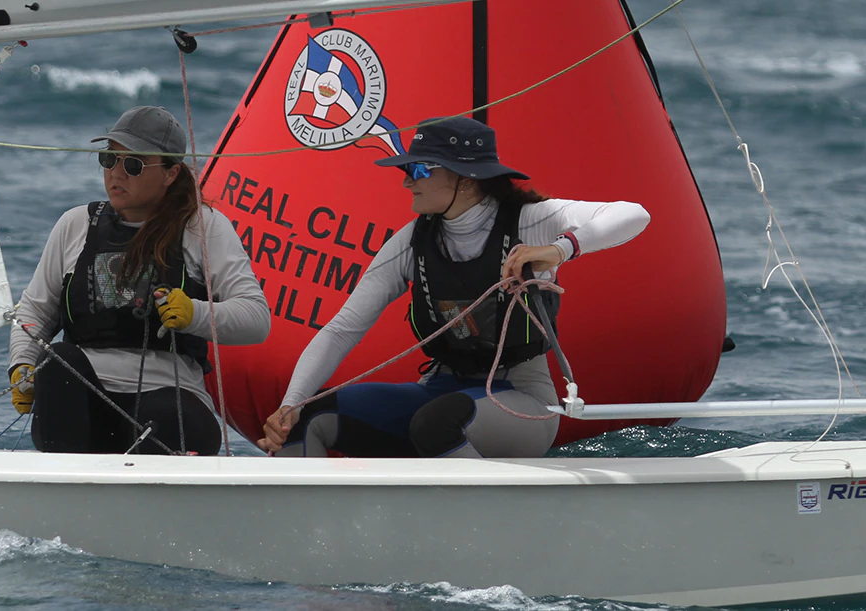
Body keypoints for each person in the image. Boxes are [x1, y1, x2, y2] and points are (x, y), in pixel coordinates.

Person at [256, 117, 648, 460]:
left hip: (523, 400)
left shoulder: (531, 221)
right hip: (441, 391)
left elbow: (634, 214)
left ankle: (484, 529)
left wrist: (560, 249)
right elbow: (343, 330)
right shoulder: (410, 243)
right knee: (305, 417)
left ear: (465, 179)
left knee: (437, 423)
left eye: (421, 170)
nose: (408, 181)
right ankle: (312, 538)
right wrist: (290, 404)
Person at [8, 105, 270, 454]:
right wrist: (21, 364)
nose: (117, 174)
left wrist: (195, 314)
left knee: (159, 413)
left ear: (170, 173)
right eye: (109, 159)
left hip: (170, 403)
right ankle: (66, 491)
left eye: (133, 164)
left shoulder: (202, 227)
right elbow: (34, 313)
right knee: (58, 363)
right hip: (89, 407)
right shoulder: (74, 225)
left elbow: (257, 319)